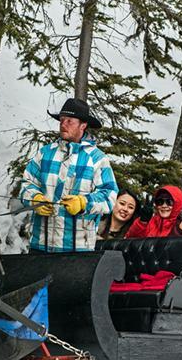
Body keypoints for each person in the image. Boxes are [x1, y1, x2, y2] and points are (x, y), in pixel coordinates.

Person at [19, 98, 118, 252]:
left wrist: (84, 203)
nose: (63, 124)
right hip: (40, 245)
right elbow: (27, 183)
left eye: (69, 121)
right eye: (62, 120)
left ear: (83, 125)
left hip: (78, 249)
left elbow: (109, 196)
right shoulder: (45, 153)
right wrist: (34, 199)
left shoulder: (97, 159)